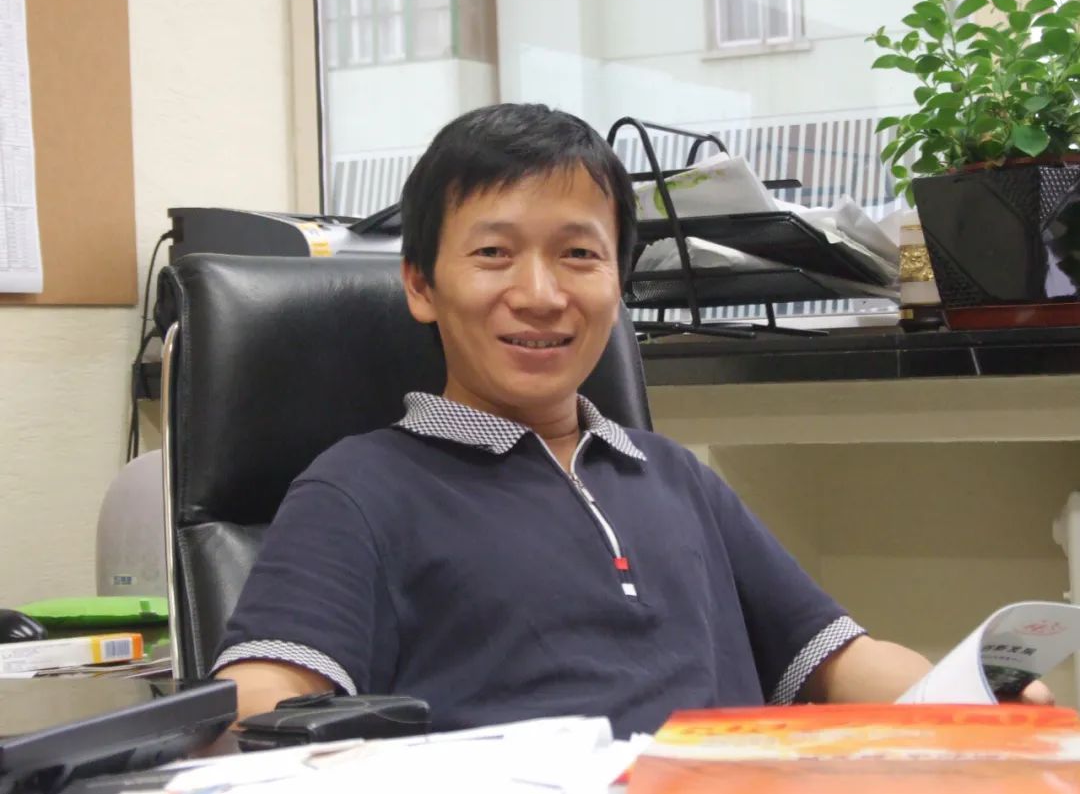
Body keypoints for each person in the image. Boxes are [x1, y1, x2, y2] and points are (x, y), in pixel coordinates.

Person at [212, 103, 1050, 736]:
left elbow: (839, 662)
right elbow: (263, 703)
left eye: (578, 254)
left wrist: (977, 699)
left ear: (619, 283)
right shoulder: (359, 487)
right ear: (421, 284)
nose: (540, 293)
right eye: (494, 253)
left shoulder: (675, 474)